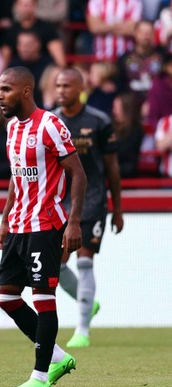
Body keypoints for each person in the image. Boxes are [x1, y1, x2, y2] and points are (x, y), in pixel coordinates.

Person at [0, 66, 86, 387]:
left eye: (5, 89)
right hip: (18, 224)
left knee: (44, 298)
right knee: (6, 298)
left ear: (25, 91)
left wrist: (73, 221)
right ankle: (57, 355)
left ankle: (41, 375)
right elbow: (15, 176)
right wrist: (5, 218)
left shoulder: (50, 125)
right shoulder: (11, 128)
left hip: (46, 224)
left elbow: (78, 173)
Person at [53, 68, 124, 348]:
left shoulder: (98, 121)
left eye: (67, 86)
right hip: (61, 204)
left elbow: (112, 168)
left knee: (84, 260)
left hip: (93, 201)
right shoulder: (51, 121)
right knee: (55, 266)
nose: (61, 91)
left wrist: (117, 208)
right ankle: (88, 303)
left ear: (81, 88)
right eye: (58, 85)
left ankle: (82, 328)